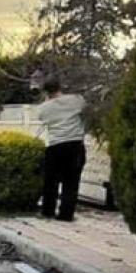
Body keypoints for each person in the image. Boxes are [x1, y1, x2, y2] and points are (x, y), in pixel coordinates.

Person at [37, 77, 87, 222]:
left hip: (55, 146)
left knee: (51, 181)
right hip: (75, 145)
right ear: (60, 87)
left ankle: (48, 211)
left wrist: (47, 101)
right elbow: (85, 111)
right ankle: (66, 214)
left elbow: (42, 119)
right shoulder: (77, 100)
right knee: (71, 182)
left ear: (46, 92)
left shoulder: (44, 108)